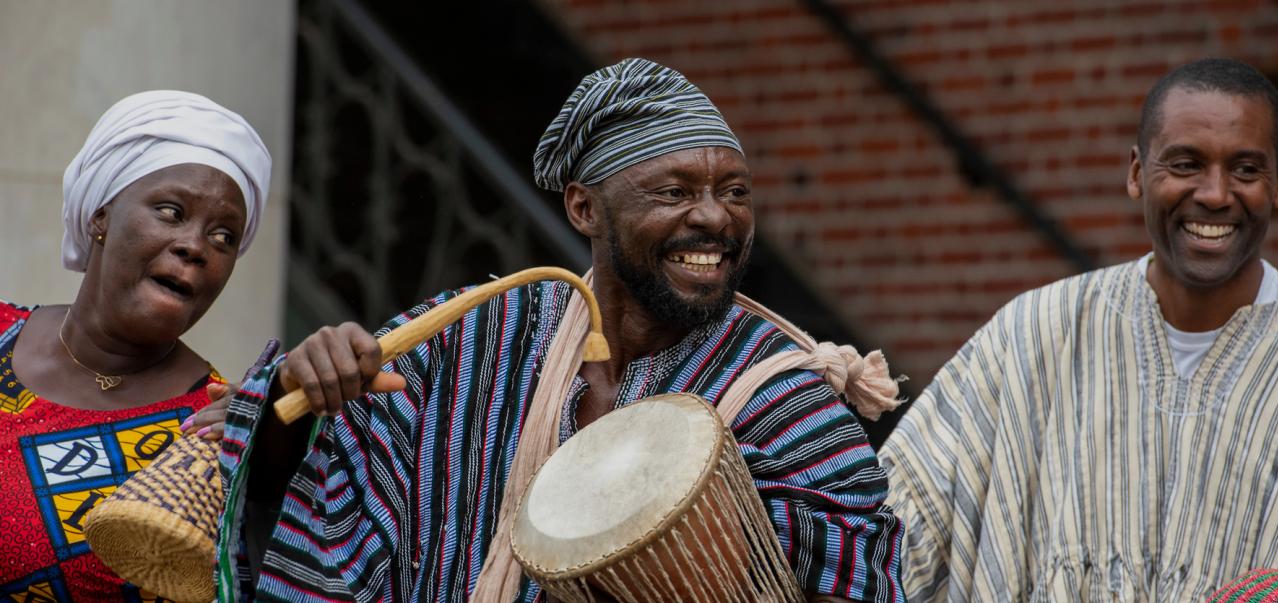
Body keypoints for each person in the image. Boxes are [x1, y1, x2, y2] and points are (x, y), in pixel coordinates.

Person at [216, 58, 906, 602]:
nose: (715, 219)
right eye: (674, 192)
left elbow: (855, 569)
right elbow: (315, 483)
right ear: (584, 208)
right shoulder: (472, 336)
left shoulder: (785, 397)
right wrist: (293, 396)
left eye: (735, 192)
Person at [880, 57, 1278, 601]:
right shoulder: (1031, 335)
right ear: (1135, 173)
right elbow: (893, 523)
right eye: (1185, 164)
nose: (1216, 194)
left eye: (1246, 169)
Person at [0, 90, 272, 601]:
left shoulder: (215, 429)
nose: (195, 246)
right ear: (101, 215)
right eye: (171, 211)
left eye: (224, 237)